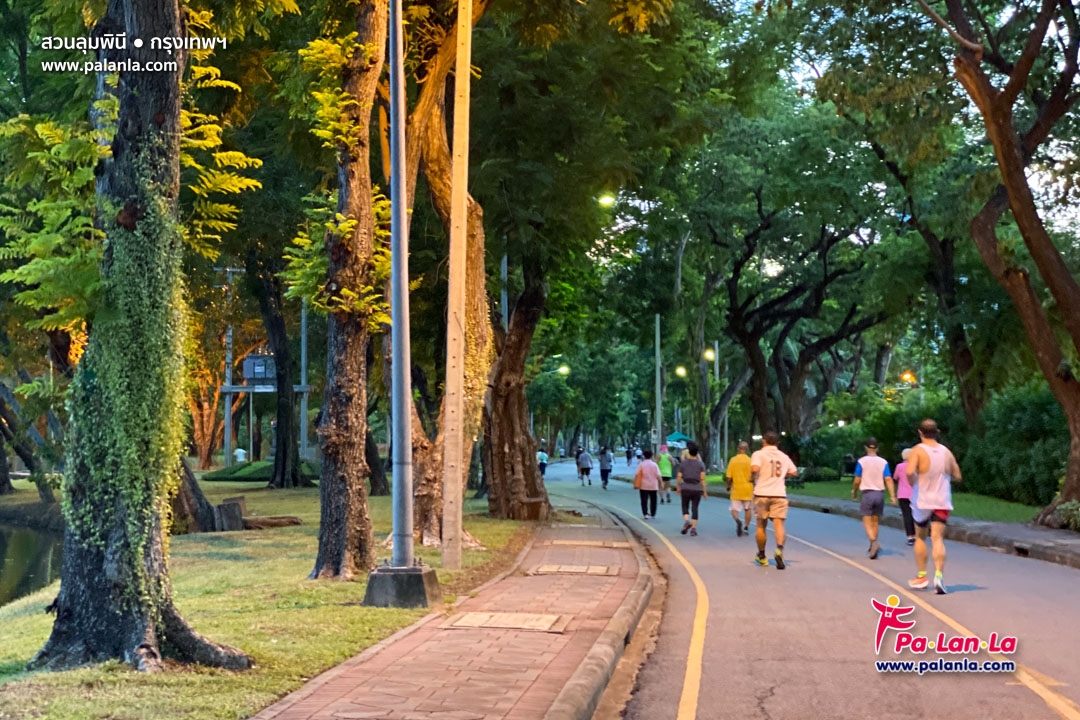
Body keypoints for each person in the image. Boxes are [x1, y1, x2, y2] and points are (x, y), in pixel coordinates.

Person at [907, 419, 962, 594]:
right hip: (942, 499)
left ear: (920, 432)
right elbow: (957, 475)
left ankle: (922, 575)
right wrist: (945, 480)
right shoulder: (946, 452)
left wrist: (913, 482)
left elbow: (909, 472)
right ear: (937, 432)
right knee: (937, 537)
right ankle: (939, 575)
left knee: (920, 537)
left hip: (922, 499)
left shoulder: (918, 450)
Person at [751, 431, 798, 569]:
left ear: (763, 441)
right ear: (777, 443)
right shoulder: (783, 456)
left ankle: (761, 555)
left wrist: (753, 476)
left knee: (761, 525)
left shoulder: (758, 454)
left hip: (762, 493)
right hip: (779, 494)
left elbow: (754, 468)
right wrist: (783, 476)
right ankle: (779, 549)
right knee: (779, 525)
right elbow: (794, 471)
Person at [852, 437, 896, 559]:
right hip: (879, 494)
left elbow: (857, 479)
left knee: (866, 520)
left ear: (865, 447)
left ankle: (873, 542)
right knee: (875, 521)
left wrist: (854, 492)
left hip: (867, 493)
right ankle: (873, 544)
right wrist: (892, 496)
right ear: (877, 448)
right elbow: (888, 478)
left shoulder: (862, 461)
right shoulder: (883, 462)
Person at [676, 442, 708, 536]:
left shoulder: (683, 464)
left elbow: (679, 477)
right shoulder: (701, 464)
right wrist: (704, 491)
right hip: (697, 488)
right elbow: (702, 479)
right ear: (697, 453)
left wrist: (678, 487)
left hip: (685, 487)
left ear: (689, 453)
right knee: (695, 508)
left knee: (685, 506)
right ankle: (693, 529)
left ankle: (687, 521)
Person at [725, 441, 754, 537]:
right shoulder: (750, 461)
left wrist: (728, 486)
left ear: (738, 448)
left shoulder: (733, 460)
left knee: (734, 509)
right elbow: (753, 476)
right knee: (748, 509)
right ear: (747, 449)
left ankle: (738, 520)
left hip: (737, 489)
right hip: (748, 489)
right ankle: (745, 528)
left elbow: (729, 476)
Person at [895, 448, 915, 545]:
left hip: (902, 494)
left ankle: (910, 536)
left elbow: (895, 477)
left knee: (907, 515)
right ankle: (917, 533)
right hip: (915, 493)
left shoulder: (899, 466)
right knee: (915, 514)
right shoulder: (915, 466)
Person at [635, 449, 662, 519]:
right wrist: (661, 483)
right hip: (653, 485)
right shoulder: (654, 465)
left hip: (643, 485)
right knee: (653, 500)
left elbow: (637, 474)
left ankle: (645, 514)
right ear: (651, 456)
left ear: (644, 455)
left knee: (644, 500)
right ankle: (653, 513)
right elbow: (658, 475)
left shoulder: (641, 464)